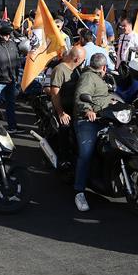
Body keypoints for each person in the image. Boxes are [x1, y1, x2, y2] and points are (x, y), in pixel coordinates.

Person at [72, 53, 113, 212]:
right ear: (103, 67)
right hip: (87, 121)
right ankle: (79, 191)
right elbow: (81, 96)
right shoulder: (89, 77)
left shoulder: (100, 77)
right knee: (86, 154)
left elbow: (101, 97)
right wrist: (88, 110)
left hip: (102, 118)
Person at [48, 46, 86, 129]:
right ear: (77, 60)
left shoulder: (77, 70)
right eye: (83, 60)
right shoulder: (59, 70)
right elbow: (55, 94)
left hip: (75, 110)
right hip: (64, 111)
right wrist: (61, 113)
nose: (83, 62)